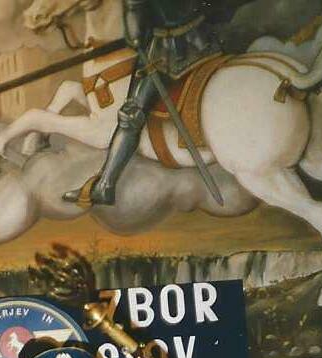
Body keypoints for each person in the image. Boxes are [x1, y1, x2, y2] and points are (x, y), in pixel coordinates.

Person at [63, 0, 223, 206]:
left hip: (169, 54)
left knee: (130, 115)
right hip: (206, 43)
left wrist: (136, 36)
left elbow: (135, 36)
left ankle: (105, 187)